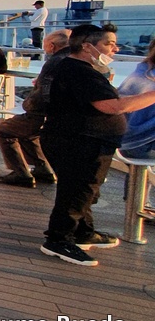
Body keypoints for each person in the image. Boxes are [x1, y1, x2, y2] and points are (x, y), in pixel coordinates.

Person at [39, 24, 155, 266]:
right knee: (77, 191)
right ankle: (58, 239)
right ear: (87, 46)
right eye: (109, 44)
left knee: (83, 190)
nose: (115, 49)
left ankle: (83, 231)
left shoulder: (76, 68)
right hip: (79, 140)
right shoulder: (80, 72)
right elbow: (113, 106)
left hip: (77, 138)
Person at [0, 29, 70, 187]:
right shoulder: (72, 59)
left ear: (52, 45)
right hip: (60, 114)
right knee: (27, 133)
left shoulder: (55, 62)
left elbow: (44, 95)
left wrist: (28, 105)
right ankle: (43, 169)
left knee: (3, 129)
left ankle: (20, 173)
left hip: (44, 114)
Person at [119, 41, 155, 211]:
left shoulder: (141, 72)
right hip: (141, 143)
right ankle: (138, 206)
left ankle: (137, 204)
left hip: (126, 139)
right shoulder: (149, 79)